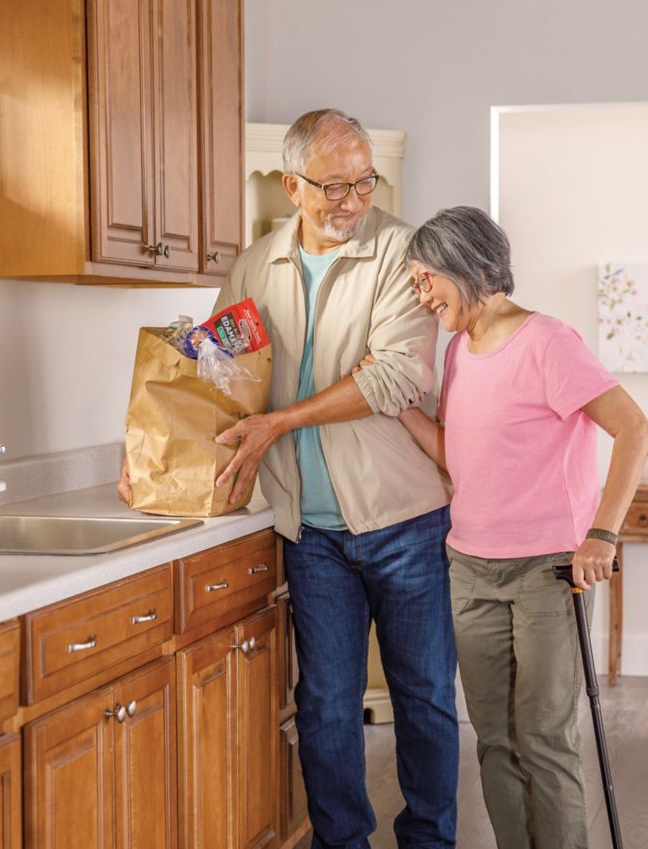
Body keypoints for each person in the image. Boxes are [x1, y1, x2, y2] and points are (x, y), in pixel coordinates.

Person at [121, 109, 459, 849]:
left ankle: (430, 842)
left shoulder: (404, 253)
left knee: (425, 698)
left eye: (363, 183)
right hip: (309, 530)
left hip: (402, 516)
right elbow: (217, 376)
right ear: (291, 186)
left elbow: (396, 375)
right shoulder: (252, 266)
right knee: (325, 706)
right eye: (333, 186)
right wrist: (147, 454)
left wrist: (281, 421)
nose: (351, 202)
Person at [358, 206, 648, 849]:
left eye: (427, 277)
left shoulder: (549, 342)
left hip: (548, 570)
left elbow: (634, 428)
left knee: (542, 737)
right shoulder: (459, 350)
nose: (421, 292)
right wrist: (400, 407)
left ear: (470, 269)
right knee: (493, 740)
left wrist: (602, 534)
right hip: (469, 567)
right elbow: (460, 458)